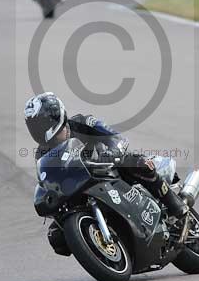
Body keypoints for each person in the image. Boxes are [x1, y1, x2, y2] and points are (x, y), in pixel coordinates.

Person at [24, 92, 189, 219]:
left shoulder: (82, 122)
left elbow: (115, 137)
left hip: (109, 170)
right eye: (34, 126)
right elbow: (50, 182)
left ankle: (174, 204)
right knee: (56, 236)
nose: (38, 130)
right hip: (82, 187)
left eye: (41, 124)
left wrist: (112, 153)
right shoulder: (42, 154)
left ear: (55, 116)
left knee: (138, 163)